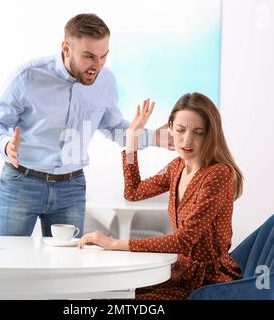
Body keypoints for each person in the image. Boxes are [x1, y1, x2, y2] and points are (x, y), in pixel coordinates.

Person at [0, 13, 172, 237]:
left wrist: (153, 138)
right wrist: (5, 145)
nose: (97, 66)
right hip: (21, 182)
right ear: (66, 48)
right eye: (89, 57)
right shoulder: (28, 76)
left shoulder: (106, 81)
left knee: (68, 266)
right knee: (7, 259)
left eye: (103, 56)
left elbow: (113, 128)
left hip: (70, 188)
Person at [78, 92, 243, 300]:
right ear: (170, 128)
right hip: (178, 272)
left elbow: (184, 241)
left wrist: (114, 243)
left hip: (208, 282)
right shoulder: (177, 167)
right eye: (181, 130)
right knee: (109, 293)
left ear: (210, 134)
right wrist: (131, 139)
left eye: (198, 132)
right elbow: (133, 192)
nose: (187, 140)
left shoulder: (218, 174)